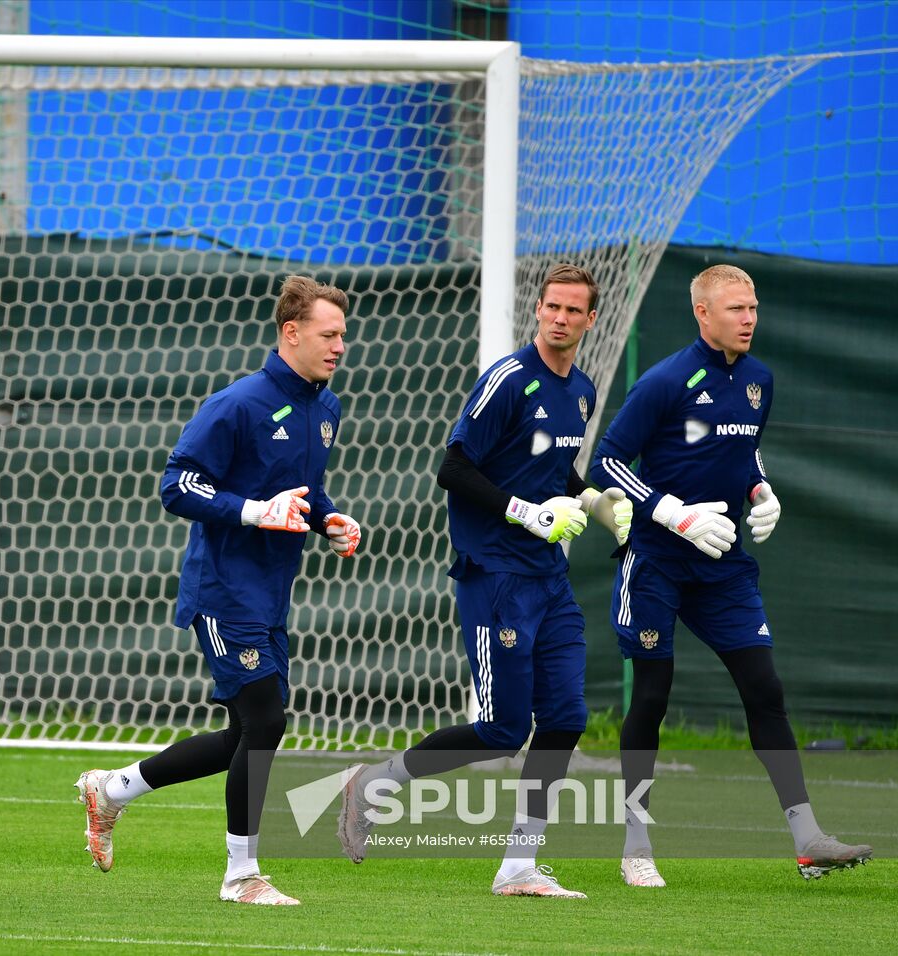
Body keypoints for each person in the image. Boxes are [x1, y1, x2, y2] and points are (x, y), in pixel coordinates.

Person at [338, 263, 631, 898]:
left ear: (591, 319)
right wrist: (525, 512)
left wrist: (599, 503)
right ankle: (374, 783)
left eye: (573, 310)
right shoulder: (507, 378)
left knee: (565, 719)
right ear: (539, 310)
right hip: (496, 574)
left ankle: (518, 866)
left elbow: (556, 474)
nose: (559, 318)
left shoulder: (580, 389)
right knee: (503, 729)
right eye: (551, 306)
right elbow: (452, 468)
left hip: (548, 579)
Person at [74, 275, 364, 906]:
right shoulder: (238, 404)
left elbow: (305, 494)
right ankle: (241, 876)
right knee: (267, 721)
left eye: (343, 334)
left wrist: (329, 521)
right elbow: (177, 484)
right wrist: (252, 512)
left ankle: (113, 788)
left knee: (245, 735)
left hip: (271, 593)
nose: (340, 345)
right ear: (292, 332)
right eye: (329, 333)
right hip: (224, 590)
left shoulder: (326, 406)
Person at [590, 263, 871, 887]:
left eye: (754, 307)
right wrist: (670, 513)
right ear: (703, 313)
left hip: (723, 565)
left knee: (764, 688)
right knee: (653, 695)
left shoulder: (759, 380)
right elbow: (607, 458)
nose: (749, 318)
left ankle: (808, 841)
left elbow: (743, 448)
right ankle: (636, 844)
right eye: (736, 308)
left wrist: (760, 487)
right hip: (657, 561)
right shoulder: (665, 380)